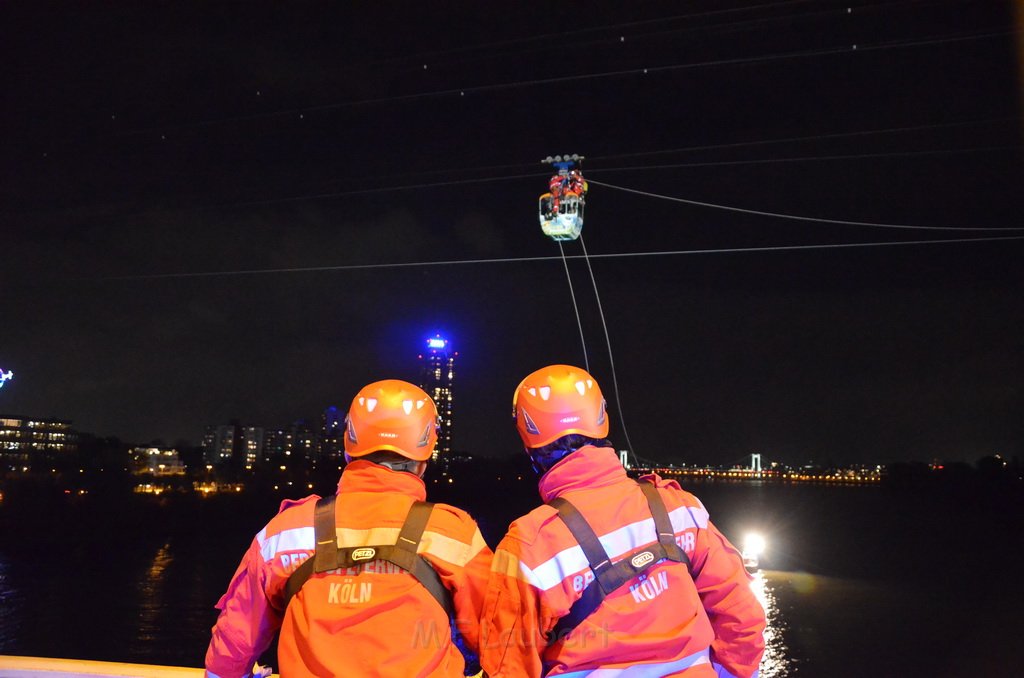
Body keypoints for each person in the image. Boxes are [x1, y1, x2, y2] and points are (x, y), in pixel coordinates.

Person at [480, 365, 766, 677]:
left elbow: (507, 665)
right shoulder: (679, 508)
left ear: (528, 443)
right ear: (602, 419)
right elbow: (742, 616)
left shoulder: (530, 545)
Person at [205, 379, 493, 677]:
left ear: (348, 448)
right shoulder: (452, 533)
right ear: (424, 457)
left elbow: (234, 642)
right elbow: (501, 640)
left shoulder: (284, 532)